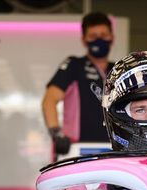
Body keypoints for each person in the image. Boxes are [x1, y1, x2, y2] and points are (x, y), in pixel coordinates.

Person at [42, 11, 114, 158]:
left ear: (112, 37)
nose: (99, 40)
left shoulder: (118, 69)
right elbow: (49, 100)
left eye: (104, 35)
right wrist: (57, 134)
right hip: (76, 148)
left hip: (113, 149)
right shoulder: (74, 65)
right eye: (93, 36)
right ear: (84, 40)